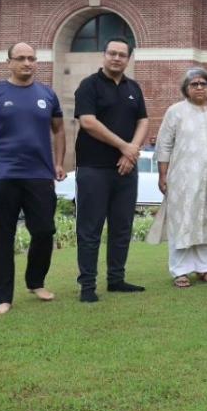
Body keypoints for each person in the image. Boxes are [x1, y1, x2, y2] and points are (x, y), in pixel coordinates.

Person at [0, 43, 66, 314]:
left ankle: (36, 282)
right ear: (9, 62)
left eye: (32, 58)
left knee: (44, 231)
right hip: (4, 175)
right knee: (2, 236)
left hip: (39, 175)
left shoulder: (47, 94)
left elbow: (59, 130)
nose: (27, 63)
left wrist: (58, 162)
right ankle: (2, 298)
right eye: (21, 58)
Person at [73, 36, 149, 303]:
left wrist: (133, 150)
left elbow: (143, 120)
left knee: (121, 227)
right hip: (94, 168)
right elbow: (88, 122)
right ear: (104, 55)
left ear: (128, 59)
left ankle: (116, 279)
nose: (117, 58)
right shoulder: (89, 86)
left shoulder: (133, 88)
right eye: (112, 53)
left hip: (126, 170)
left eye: (122, 55)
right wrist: (124, 147)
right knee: (90, 229)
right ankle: (87, 286)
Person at [149, 68, 207, 287]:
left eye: (203, 84)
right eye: (194, 84)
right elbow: (164, 144)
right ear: (185, 88)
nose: (199, 88)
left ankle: (204, 268)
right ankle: (180, 271)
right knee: (182, 220)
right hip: (182, 178)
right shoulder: (175, 111)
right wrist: (163, 174)